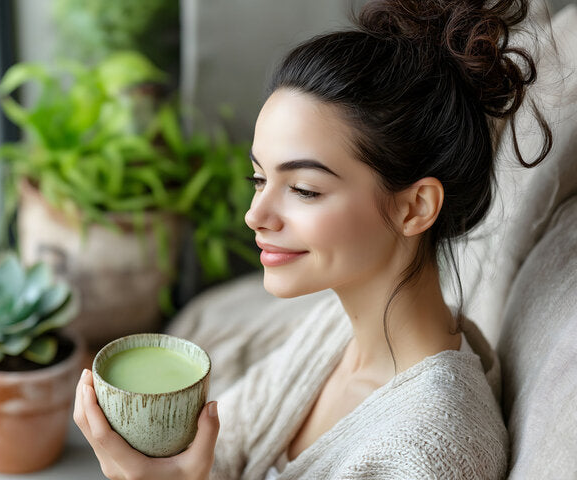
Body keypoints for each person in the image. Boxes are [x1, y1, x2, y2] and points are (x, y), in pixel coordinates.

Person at [72, 0, 553, 478]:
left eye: (304, 189)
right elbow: (224, 447)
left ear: (415, 207)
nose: (254, 215)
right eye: (259, 180)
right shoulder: (336, 329)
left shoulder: (433, 453)